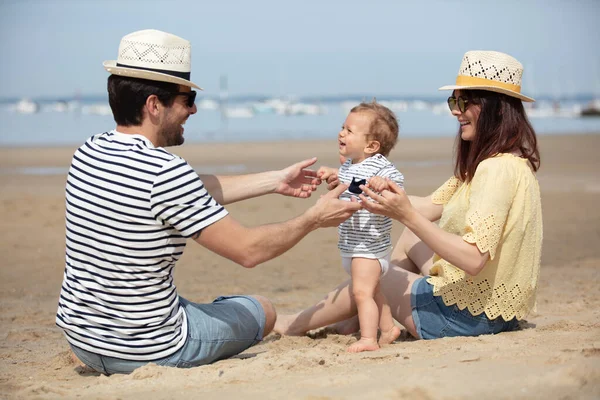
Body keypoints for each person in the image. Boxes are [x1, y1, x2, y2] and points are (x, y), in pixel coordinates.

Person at [55, 29, 361, 375]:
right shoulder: (165, 172)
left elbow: (183, 192)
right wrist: (314, 218)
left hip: (83, 337)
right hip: (145, 349)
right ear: (154, 105)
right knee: (263, 310)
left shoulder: (90, 150)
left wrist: (273, 181)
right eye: (187, 99)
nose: (194, 109)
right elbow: (249, 251)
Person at [275, 50, 543, 341]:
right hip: (494, 309)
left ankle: (294, 324)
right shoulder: (501, 162)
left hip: (467, 318)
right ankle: (357, 318)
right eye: (453, 101)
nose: (455, 111)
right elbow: (428, 206)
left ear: (495, 108)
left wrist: (405, 214)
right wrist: (364, 192)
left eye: (463, 102)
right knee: (410, 238)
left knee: (368, 267)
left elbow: (473, 259)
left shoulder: (495, 170)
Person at [316, 102, 404, 352]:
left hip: (369, 244)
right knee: (374, 290)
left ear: (371, 146)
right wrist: (333, 176)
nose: (341, 133)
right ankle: (388, 329)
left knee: (362, 293)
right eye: (342, 128)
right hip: (353, 243)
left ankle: (368, 339)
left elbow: (397, 183)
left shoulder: (380, 166)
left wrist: (383, 183)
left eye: (349, 130)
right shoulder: (350, 165)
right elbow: (346, 183)